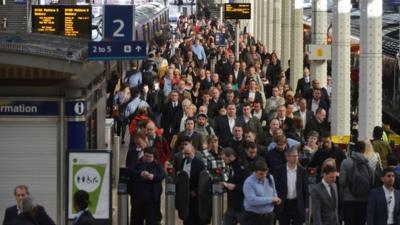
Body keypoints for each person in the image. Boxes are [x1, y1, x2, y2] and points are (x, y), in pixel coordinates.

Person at [339, 141, 374, 225]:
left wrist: (341, 199)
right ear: (364, 150)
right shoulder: (368, 164)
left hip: (348, 200)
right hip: (364, 200)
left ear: (354, 149)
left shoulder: (345, 162)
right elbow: (372, 182)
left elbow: (342, 182)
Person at [127, 147, 165, 225]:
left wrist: (153, 177)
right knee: (136, 220)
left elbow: (162, 175)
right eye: (146, 156)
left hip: (151, 199)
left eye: (150, 157)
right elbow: (129, 170)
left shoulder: (157, 165)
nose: (147, 158)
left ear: (154, 157)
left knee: (151, 220)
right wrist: (139, 174)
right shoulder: (137, 162)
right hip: (137, 197)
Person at [274, 147, 309, 225]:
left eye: (296, 156)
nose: (296, 158)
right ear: (287, 157)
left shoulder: (302, 171)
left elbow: (305, 189)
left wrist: (307, 206)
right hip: (284, 204)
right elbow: (275, 187)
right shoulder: (279, 170)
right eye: (293, 156)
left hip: (297, 204)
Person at [243, 160, 281, 225]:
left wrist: (276, 200)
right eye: (260, 174)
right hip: (253, 217)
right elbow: (252, 200)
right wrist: (271, 199)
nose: (263, 176)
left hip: (268, 216)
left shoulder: (270, 178)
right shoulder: (248, 182)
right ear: (255, 172)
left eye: (265, 173)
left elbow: (274, 192)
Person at [176, 144, 206, 225]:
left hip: (195, 194)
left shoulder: (199, 163)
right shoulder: (183, 161)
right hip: (185, 193)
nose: (186, 156)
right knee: (186, 216)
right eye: (185, 154)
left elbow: (202, 180)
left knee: (196, 217)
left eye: (188, 154)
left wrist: (195, 191)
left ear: (193, 152)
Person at [220, 147, 250, 225]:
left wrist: (235, 187)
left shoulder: (242, 167)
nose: (224, 161)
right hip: (231, 205)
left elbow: (247, 187)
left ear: (230, 156)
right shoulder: (230, 166)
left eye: (225, 159)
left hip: (242, 205)